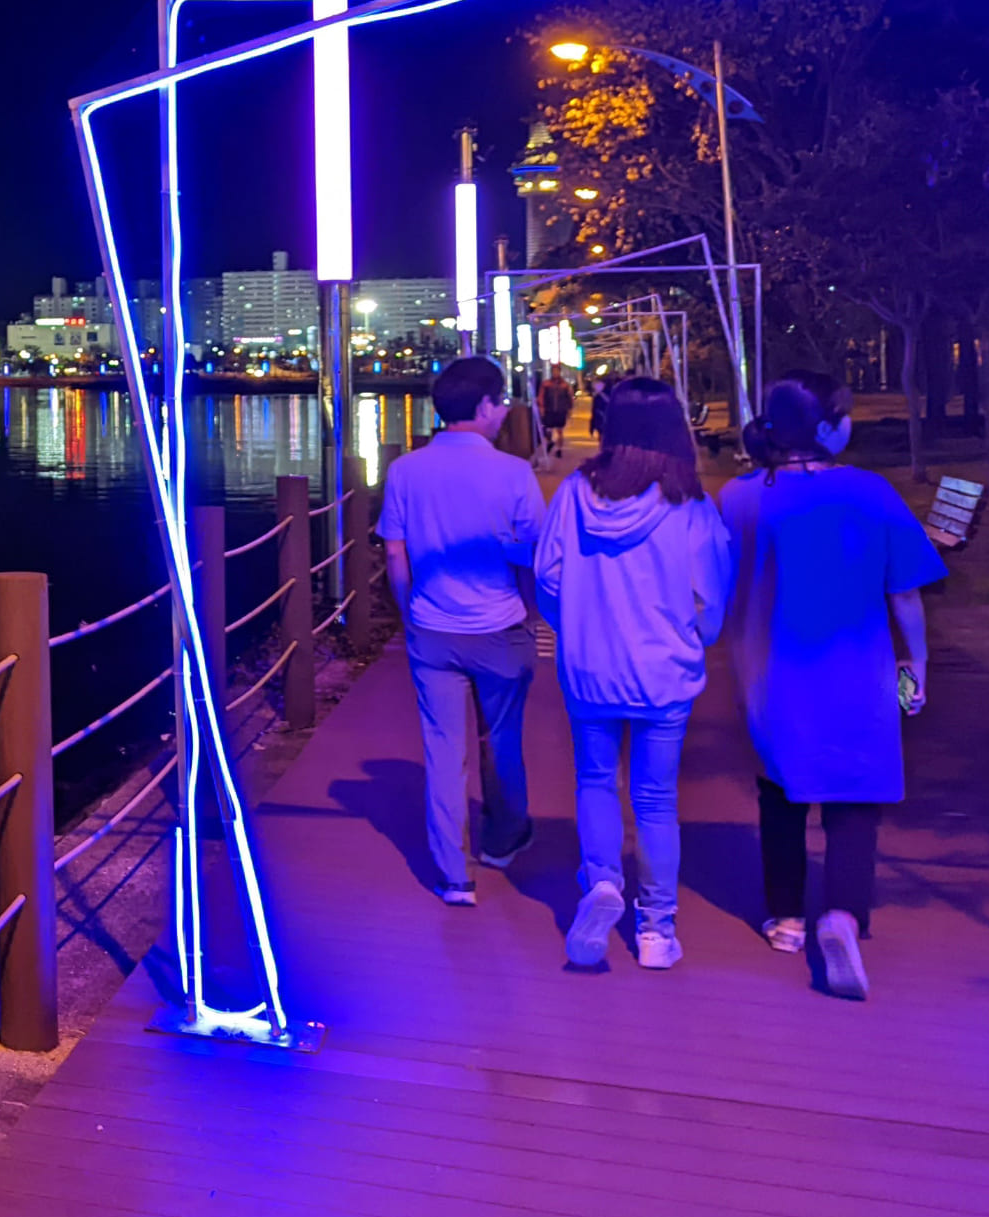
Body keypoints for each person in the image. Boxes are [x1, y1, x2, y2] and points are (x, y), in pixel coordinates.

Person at [724, 377, 944, 1000]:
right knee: (855, 798)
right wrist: (917, 661)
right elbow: (904, 587)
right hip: (857, 672)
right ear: (825, 428)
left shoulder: (741, 498)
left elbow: (718, 585)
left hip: (770, 671)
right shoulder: (870, 493)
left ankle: (786, 916)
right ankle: (843, 914)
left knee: (780, 791)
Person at [528, 374, 733, 972]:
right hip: (664, 672)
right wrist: (699, 637)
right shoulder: (689, 502)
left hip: (590, 667)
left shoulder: (573, 493)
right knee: (655, 798)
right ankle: (656, 929)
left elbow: (549, 577)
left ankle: (601, 884)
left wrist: (576, 627)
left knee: (595, 779)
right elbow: (710, 595)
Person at [378, 352, 543, 906]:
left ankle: (453, 874)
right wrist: (529, 611)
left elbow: (395, 554)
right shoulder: (515, 473)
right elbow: (531, 557)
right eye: (501, 400)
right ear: (483, 406)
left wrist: (408, 610)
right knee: (503, 739)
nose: (505, 411)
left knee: (443, 750)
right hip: (501, 625)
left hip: (430, 626)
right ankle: (501, 841)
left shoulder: (405, 470)